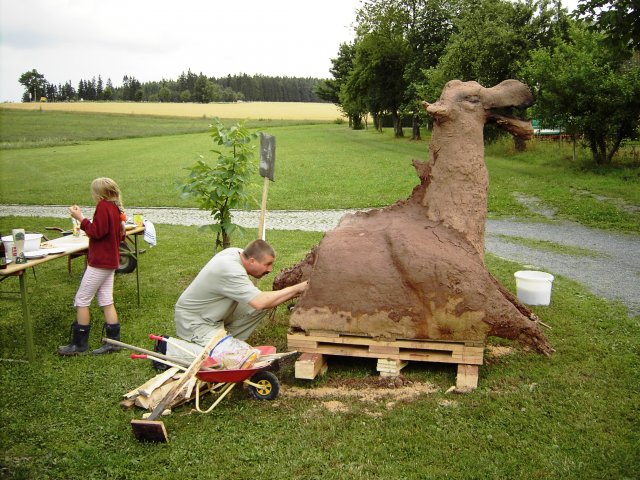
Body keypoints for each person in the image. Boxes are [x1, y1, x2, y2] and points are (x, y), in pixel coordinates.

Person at [161, 239, 308, 362]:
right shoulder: (230, 269)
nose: (270, 269)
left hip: (214, 314)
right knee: (229, 359)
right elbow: (259, 301)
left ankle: (226, 341)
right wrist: (299, 288)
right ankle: (168, 348)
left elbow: (262, 303)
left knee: (265, 305)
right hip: (195, 322)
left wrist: (294, 292)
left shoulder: (237, 253)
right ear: (252, 261)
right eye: (267, 264)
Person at [58, 177, 127, 355]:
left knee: (82, 300)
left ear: (99, 194)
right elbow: (116, 235)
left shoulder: (104, 207)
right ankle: (113, 342)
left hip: (101, 262)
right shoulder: (114, 208)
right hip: (110, 260)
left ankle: (79, 345)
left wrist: (80, 218)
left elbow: (96, 232)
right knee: (106, 300)